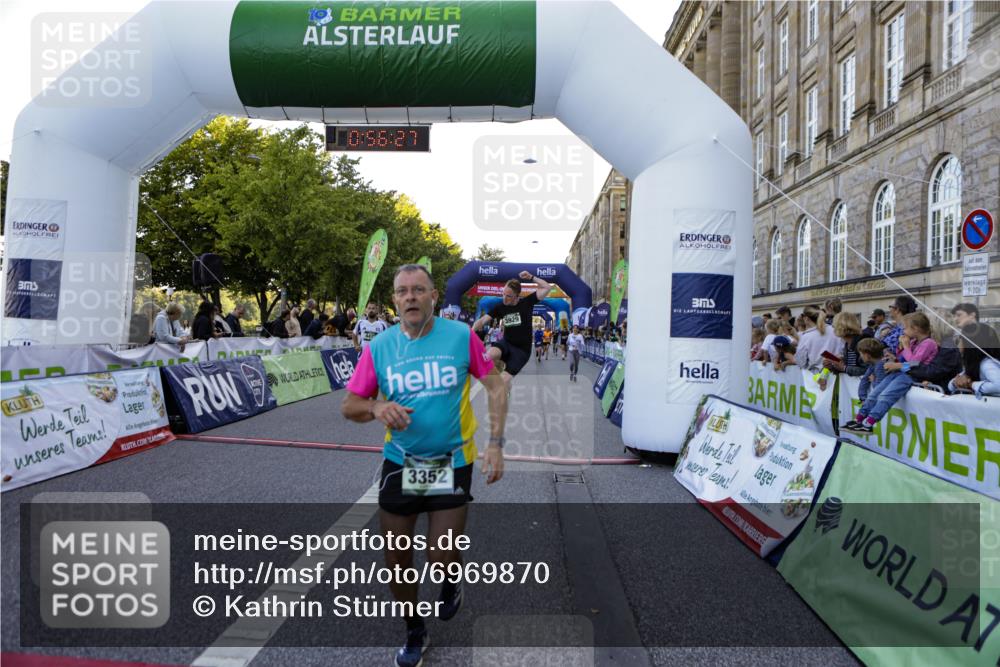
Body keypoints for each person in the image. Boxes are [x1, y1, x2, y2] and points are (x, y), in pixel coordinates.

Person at [341, 264, 507, 667]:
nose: (411, 297)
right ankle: (415, 629)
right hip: (401, 462)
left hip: (452, 459)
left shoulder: (460, 337)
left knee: (440, 554)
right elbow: (350, 405)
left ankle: (451, 576)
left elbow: (496, 385)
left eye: (419, 290)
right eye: (403, 291)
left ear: (434, 297)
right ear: (394, 300)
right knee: (397, 560)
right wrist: (376, 407)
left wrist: (496, 444)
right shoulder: (379, 347)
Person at [844, 312, 939, 433]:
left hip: (911, 376)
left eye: (905, 328)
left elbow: (914, 363)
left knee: (886, 396)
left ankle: (869, 423)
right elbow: (903, 359)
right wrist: (896, 354)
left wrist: (906, 347)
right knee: (875, 393)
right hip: (900, 372)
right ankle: (859, 419)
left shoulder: (928, 343)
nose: (903, 331)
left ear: (915, 328)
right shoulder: (914, 342)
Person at [472, 271, 553, 391]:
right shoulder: (500, 307)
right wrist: (470, 333)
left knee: (499, 384)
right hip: (506, 343)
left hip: (521, 351)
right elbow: (483, 320)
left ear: (516, 296)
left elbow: (547, 287)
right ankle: (499, 366)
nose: (504, 298)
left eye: (508, 296)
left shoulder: (527, 302)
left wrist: (531, 277)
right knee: (487, 356)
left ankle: (505, 384)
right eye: (503, 294)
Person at [948, 323, 1000, 398]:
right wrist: (955, 382)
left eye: (960, 338)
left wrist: (971, 384)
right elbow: (950, 386)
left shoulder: (987, 364)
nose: (958, 342)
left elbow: (998, 385)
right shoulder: (975, 363)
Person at [794, 306, 844, 372]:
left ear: (806, 318)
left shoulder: (806, 336)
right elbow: (843, 352)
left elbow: (801, 362)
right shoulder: (834, 330)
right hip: (837, 373)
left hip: (815, 374)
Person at [855, 338, 887, 402]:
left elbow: (880, 388)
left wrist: (873, 381)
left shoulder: (880, 365)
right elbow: (864, 379)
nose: (860, 357)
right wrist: (863, 398)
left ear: (867, 355)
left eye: (861, 354)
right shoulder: (872, 365)